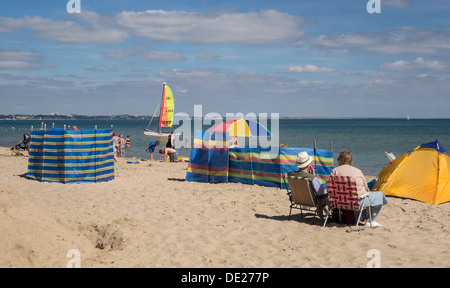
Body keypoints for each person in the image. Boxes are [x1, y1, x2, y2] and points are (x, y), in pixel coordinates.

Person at [330, 150, 388, 228]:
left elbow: (330, 188)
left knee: (364, 196)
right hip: (356, 203)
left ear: (341, 160)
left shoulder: (334, 171)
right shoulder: (357, 171)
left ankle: (361, 217)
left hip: (338, 202)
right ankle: (370, 220)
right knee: (379, 195)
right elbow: (366, 187)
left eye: (338, 159)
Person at [288, 151, 328, 218]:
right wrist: (313, 176)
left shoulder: (290, 175)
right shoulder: (311, 178)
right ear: (308, 165)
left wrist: (310, 175)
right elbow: (320, 193)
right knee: (325, 197)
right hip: (312, 202)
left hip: (297, 200)